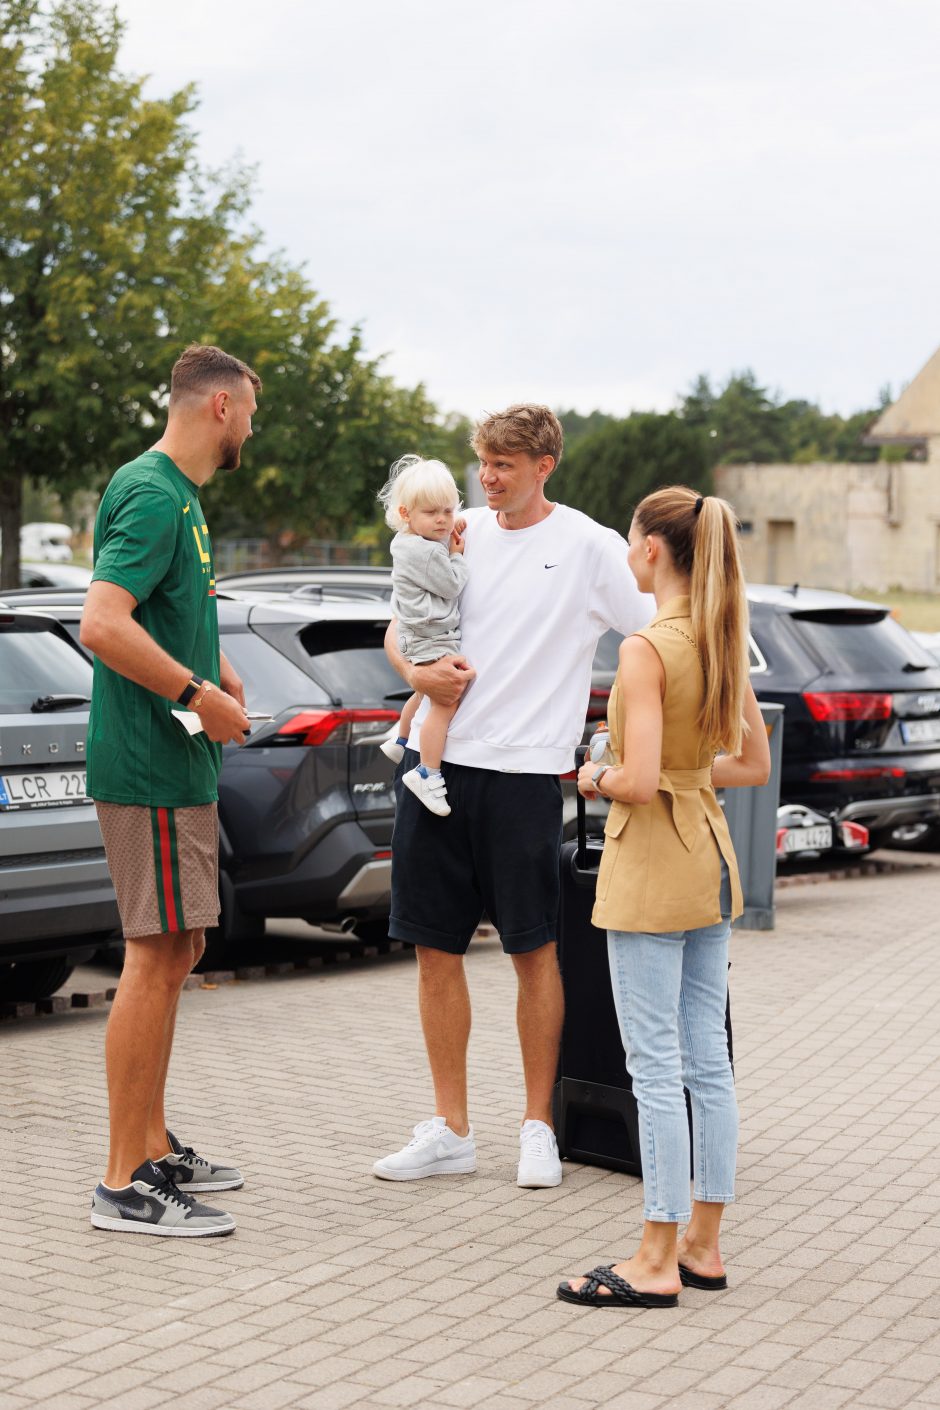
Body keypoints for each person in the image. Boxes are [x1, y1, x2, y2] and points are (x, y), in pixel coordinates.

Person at [372, 404, 654, 1188]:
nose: (488, 478)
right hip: (437, 771)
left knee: (535, 953)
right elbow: (398, 627)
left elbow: (657, 636)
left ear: (544, 466)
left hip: (529, 776)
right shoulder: (455, 529)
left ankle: (537, 1127)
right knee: (434, 949)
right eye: (484, 462)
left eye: (504, 464)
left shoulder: (592, 547)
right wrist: (415, 674)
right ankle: (450, 1129)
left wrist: (632, 737)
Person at [557, 486, 771, 1308]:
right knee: (705, 1063)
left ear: (651, 549)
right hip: (710, 859)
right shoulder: (721, 635)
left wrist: (591, 774)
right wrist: (677, 773)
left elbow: (637, 784)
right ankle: (702, 1245)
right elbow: (750, 765)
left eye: (631, 539)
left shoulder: (647, 648)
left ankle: (652, 1257)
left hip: (652, 865)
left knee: (653, 1067)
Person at [81, 343, 259, 1237]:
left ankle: (150, 1144)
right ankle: (123, 1181)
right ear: (220, 406)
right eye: (252, 412)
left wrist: (218, 671)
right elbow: (101, 622)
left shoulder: (182, 498)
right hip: (150, 766)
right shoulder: (154, 494)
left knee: (180, 949)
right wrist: (196, 696)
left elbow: (171, 612)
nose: (252, 430)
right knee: (153, 957)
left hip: (180, 763)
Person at [378, 455, 469, 817]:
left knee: (422, 691)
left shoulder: (409, 542)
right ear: (405, 513)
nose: (443, 521)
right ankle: (426, 772)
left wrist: (447, 535)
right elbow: (450, 584)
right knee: (444, 704)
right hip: (431, 636)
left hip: (418, 634)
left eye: (448, 511)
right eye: (432, 513)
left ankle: (400, 739)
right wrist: (458, 556)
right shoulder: (426, 552)